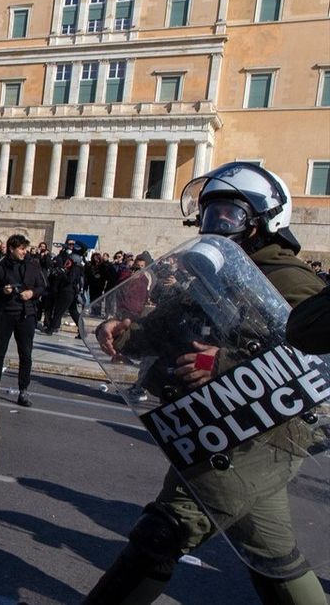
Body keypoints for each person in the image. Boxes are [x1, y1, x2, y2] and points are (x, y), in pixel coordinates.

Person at [85, 162, 326, 605]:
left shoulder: (288, 278)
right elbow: (175, 324)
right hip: (218, 426)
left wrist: (225, 362)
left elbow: (314, 354)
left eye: (229, 216)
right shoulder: (215, 271)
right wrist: (125, 331)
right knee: (272, 555)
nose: (216, 226)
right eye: (210, 215)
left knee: (164, 531)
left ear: (264, 221)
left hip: (256, 433)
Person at [0, 235, 46, 407]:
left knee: (26, 354)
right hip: (4, 313)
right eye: (21, 249)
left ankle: (23, 391)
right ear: (11, 249)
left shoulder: (33, 266)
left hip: (26, 315)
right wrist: (2, 291)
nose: (24, 252)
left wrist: (32, 294)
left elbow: (42, 287)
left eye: (25, 249)